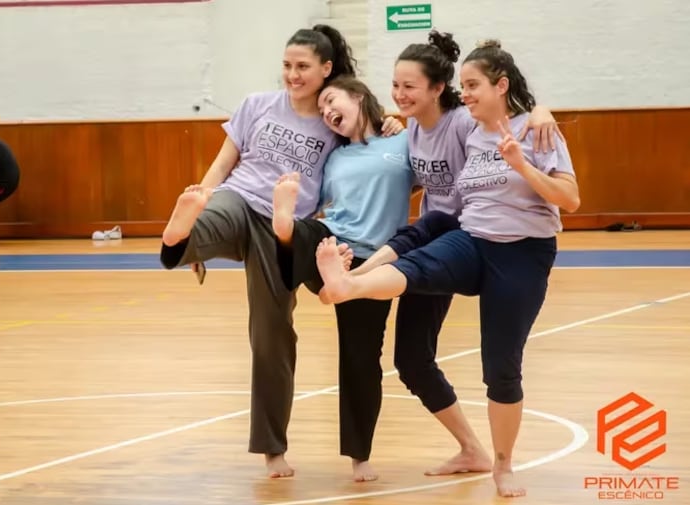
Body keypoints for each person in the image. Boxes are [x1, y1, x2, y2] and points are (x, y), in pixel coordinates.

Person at [313, 39, 580, 498]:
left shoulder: (500, 127)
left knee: (500, 366)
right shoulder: (453, 131)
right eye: (393, 85)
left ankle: (502, 463)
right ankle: (349, 283)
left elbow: (570, 200)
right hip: (466, 234)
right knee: (415, 280)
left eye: (472, 85)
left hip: (518, 250)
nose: (398, 92)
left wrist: (536, 118)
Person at [158, 25, 402, 478]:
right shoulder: (256, 105)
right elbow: (224, 161)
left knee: (271, 335)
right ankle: (184, 233)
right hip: (239, 199)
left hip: (281, 227)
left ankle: (273, 449)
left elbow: (371, 139)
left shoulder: (333, 117)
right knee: (210, 214)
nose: (292, 75)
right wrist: (202, 199)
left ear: (326, 69)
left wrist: (391, 121)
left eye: (303, 67)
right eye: (288, 66)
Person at [271, 75, 413, 482]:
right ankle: (287, 231)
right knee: (305, 234)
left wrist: (397, 121)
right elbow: (320, 205)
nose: (327, 112)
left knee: (361, 359)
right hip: (331, 246)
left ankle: (360, 457)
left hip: (372, 265)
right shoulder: (332, 157)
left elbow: (433, 173)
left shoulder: (401, 143)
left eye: (332, 100)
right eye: (322, 111)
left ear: (360, 97)